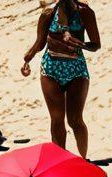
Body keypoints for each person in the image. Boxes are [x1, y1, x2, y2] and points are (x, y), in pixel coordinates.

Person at [22, 0, 100, 157]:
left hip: (76, 70)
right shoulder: (48, 14)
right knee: (57, 119)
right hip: (51, 69)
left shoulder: (85, 12)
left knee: (75, 120)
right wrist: (27, 59)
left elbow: (96, 44)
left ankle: (84, 160)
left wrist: (80, 44)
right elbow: (40, 42)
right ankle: (60, 162)